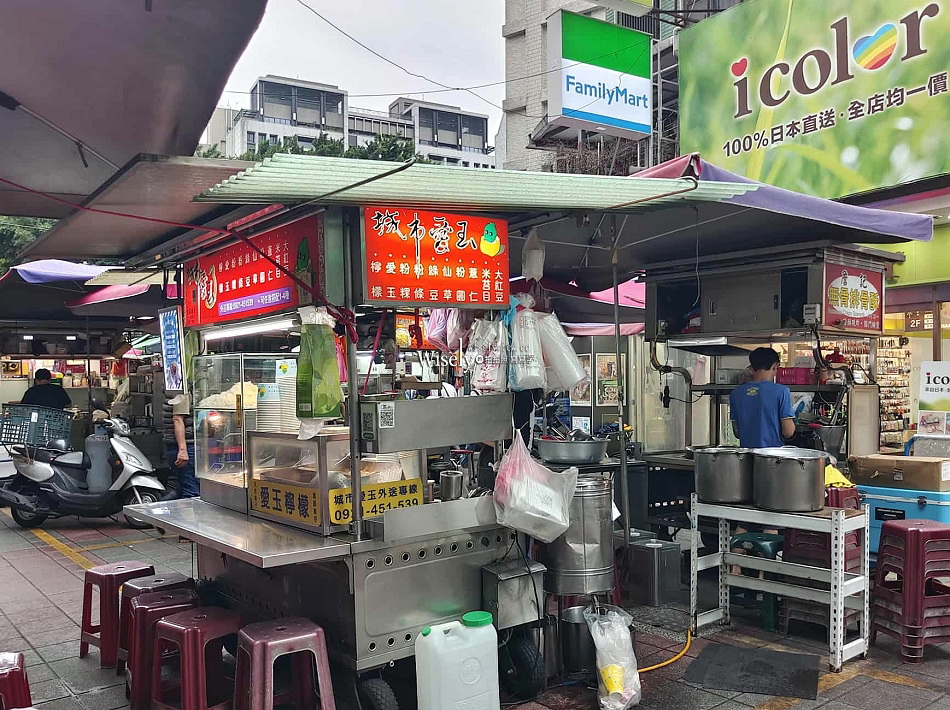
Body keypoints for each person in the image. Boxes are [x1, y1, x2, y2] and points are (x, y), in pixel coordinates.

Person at [729, 348, 795, 449]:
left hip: (746, 455)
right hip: (772, 455)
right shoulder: (781, 391)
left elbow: (737, 432)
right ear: (775, 366)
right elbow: (788, 432)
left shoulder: (736, 393)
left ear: (752, 367)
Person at [163, 394, 199, 498]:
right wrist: (183, 450)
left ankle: (158, 507)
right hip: (186, 447)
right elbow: (177, 419)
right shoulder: (182, 391)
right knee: (191, 493)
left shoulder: (175, 389)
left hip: (179, 446)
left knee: (181, 490)